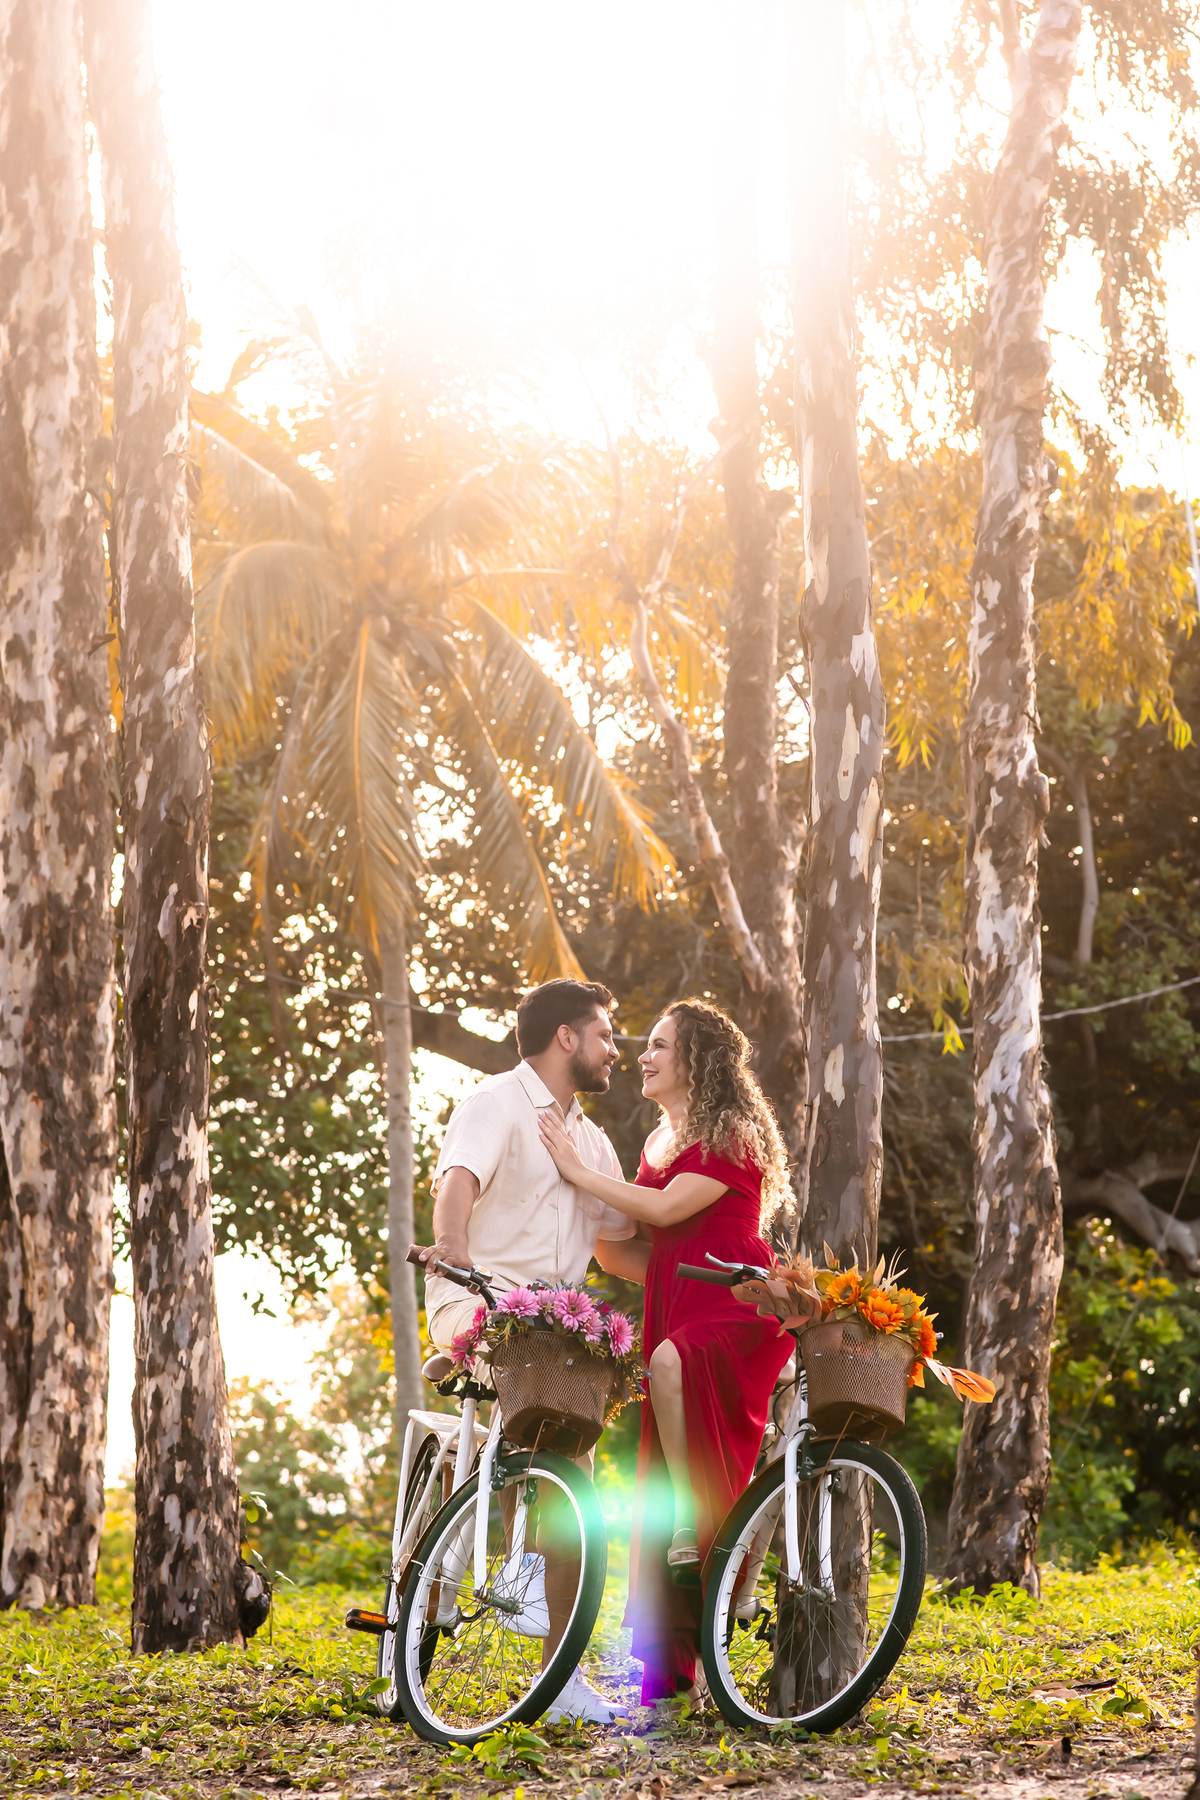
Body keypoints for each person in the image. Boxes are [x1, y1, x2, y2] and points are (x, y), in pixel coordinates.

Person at [538, 998, 804, 1705]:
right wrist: (578, 1228)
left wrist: (573, 1169)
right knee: (654, 1471)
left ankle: (696, 1518)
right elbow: (634, 1249)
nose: (642, 1056)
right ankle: (677, 1679)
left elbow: (658, 1213)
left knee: (666, 1371)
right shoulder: (656, 1142)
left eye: (658, 1045)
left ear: (697, 1059)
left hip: (734, 1305)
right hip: (677, 1301)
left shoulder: (734, 1131)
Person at [418, 977, 649, 1724]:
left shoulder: (592, 1142)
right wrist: (452, 1252)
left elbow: (618, 1250)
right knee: (522, 1403)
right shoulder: (495, 1103)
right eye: (607, 1034)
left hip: (558, 1337)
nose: (617, 1050)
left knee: (580, 1498)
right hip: (477, 1300)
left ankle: (558, 1682)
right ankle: (465, 1385)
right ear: (567, 1039)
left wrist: (705, 1293)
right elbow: (456, 1185)